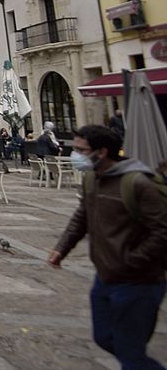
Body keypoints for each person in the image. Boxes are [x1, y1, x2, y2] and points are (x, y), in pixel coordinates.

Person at [49, 125, 167, 369]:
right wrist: (62, 248)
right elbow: (82, 216)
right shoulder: (93, 177)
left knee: (130, 352)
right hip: (105, 277)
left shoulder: (138, 183)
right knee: (104, 337)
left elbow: (163, 231)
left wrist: (132, 261)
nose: (75, 155)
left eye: (81, 150)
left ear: (101, 152)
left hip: (138, 281)